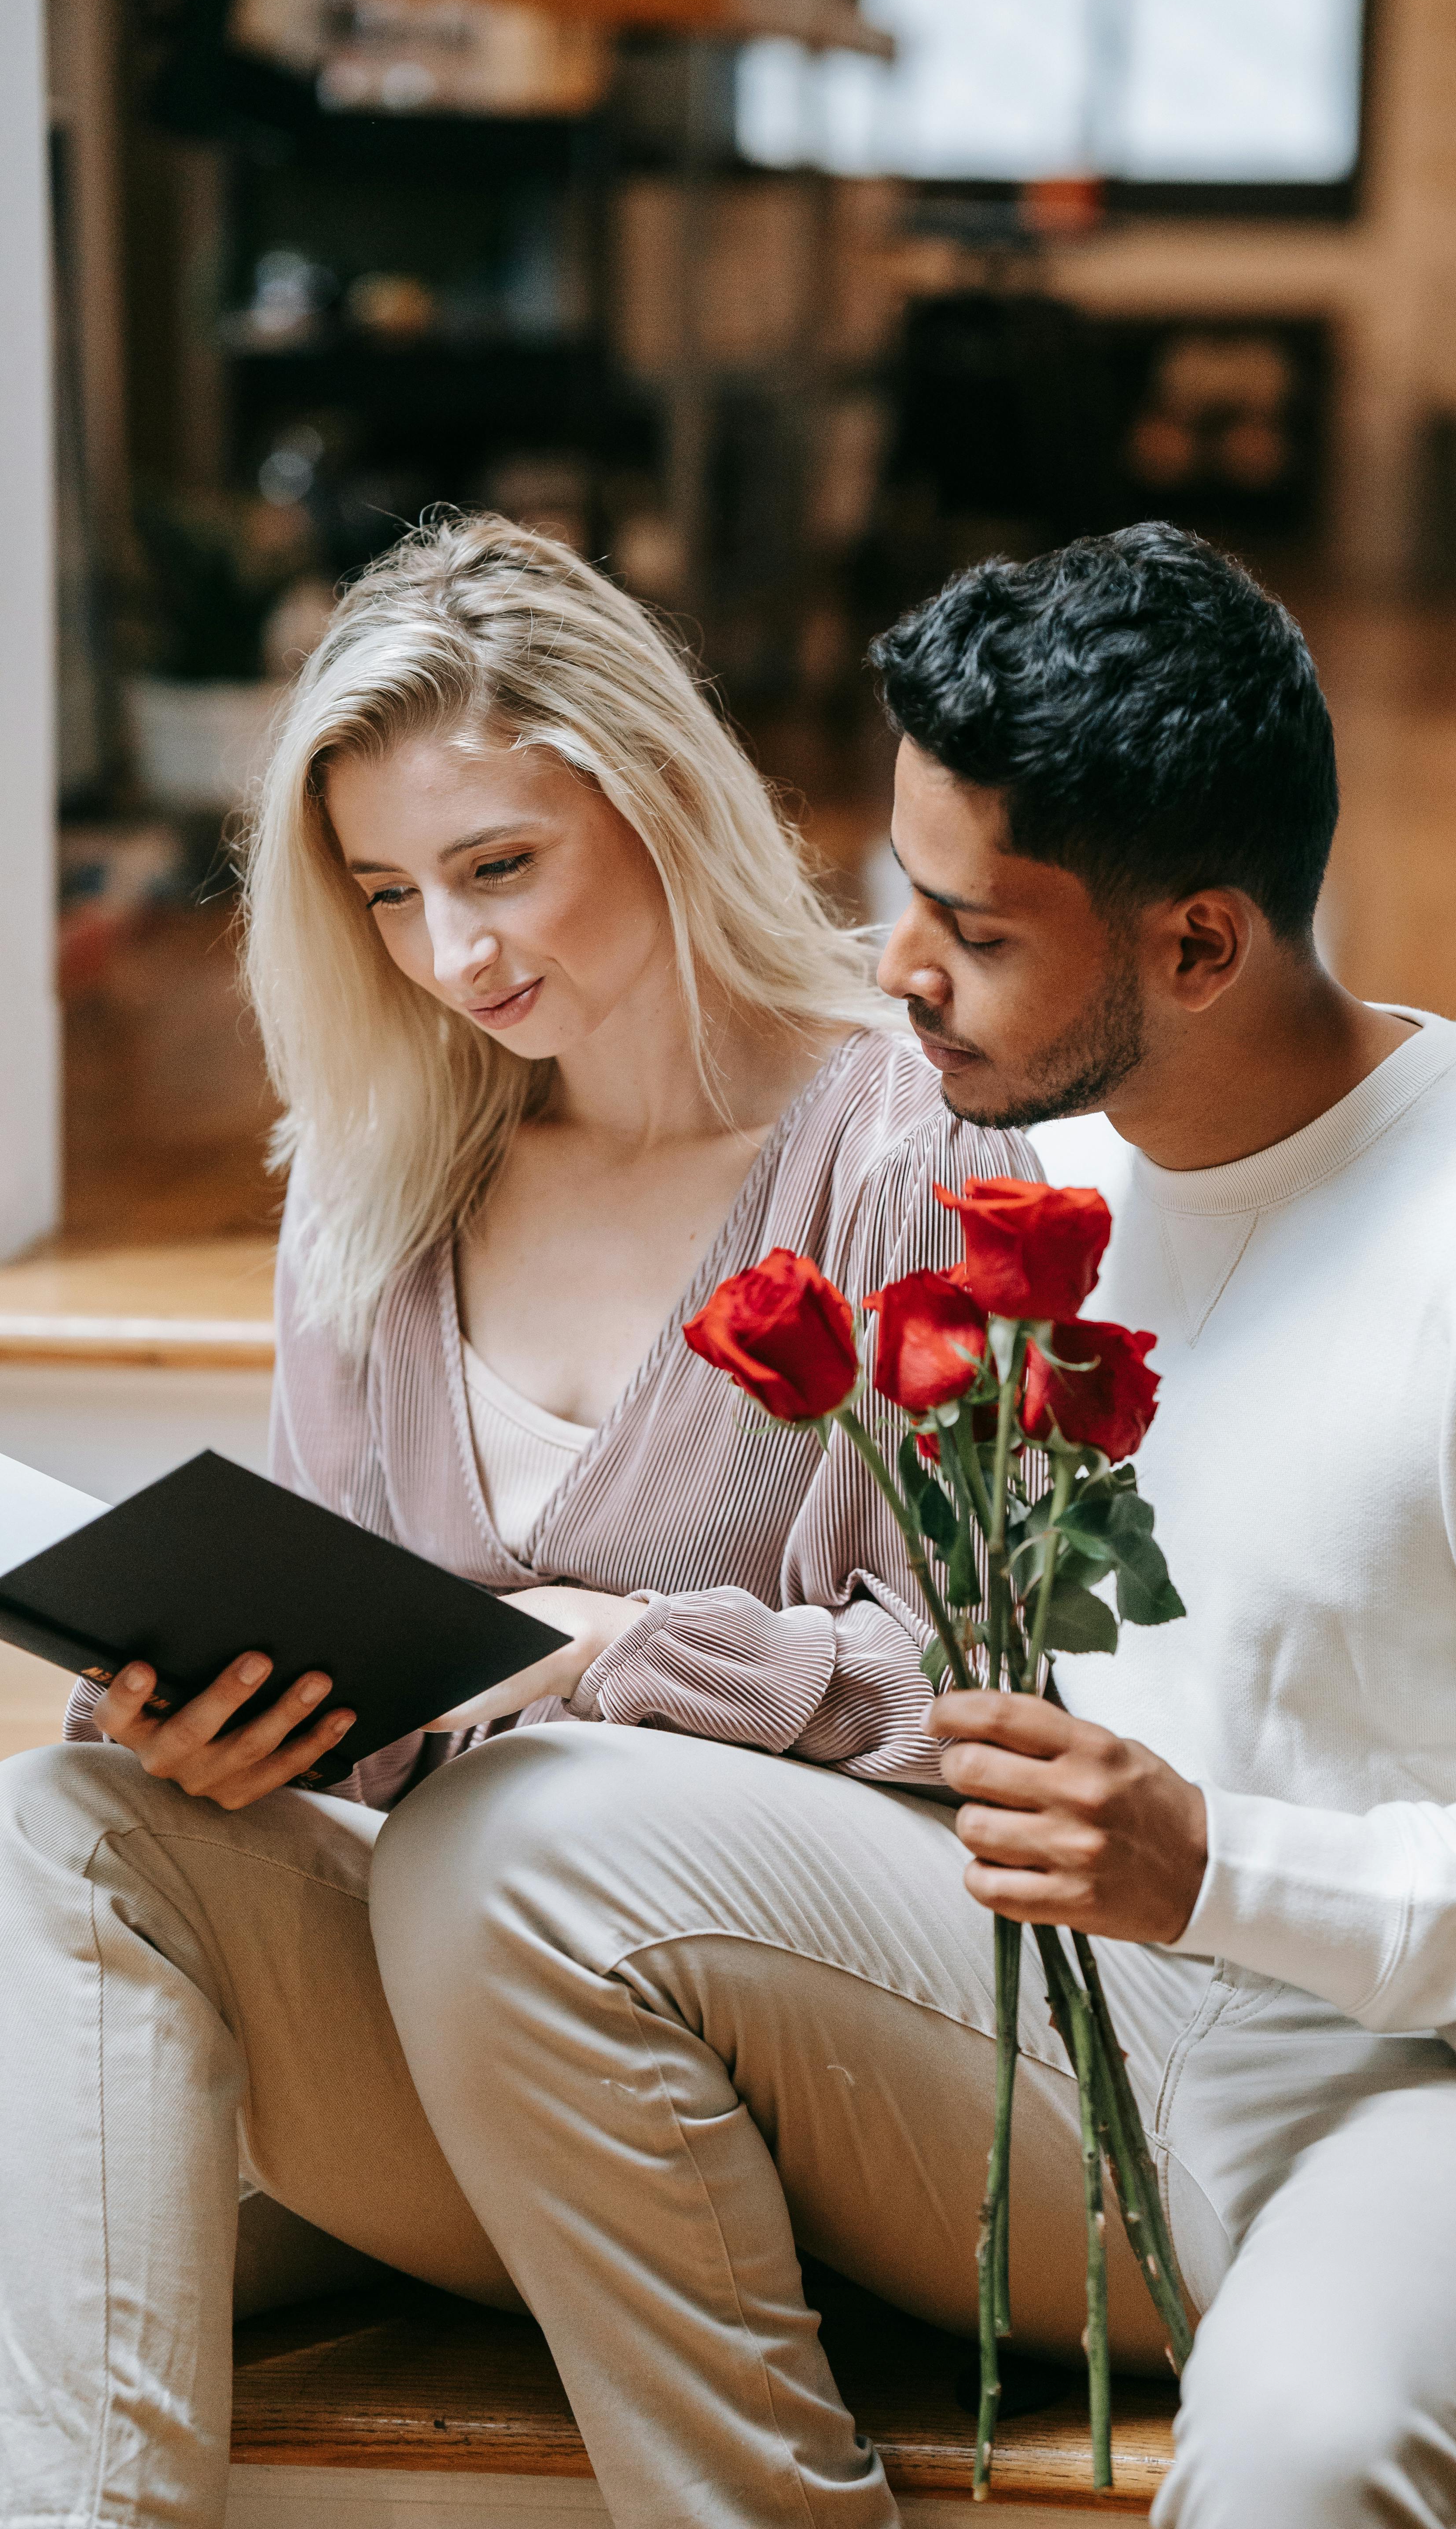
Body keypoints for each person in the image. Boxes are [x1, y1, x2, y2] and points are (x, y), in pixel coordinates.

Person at [325, 522, 1456, 2529]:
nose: (894, 970)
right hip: (1082, 2030)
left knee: (1312, 2460)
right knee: (517, 1843)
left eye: (974, 929)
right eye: (900, 890)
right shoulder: (1012, 1188)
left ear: (1196, 944)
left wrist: (1216, 1863)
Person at [0, 515, 1036, 2528]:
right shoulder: (377, 1184)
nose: (456, 956)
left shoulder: (902, 1139)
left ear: (653, 803)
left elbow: (1007, 1694)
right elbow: (348, 1678)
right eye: (387, 895)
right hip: (473, 2042)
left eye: (499, 868)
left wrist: (603, 1653)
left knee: (516, 1824)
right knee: (65, 1822)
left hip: (834, 2062)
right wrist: (205, 1727)